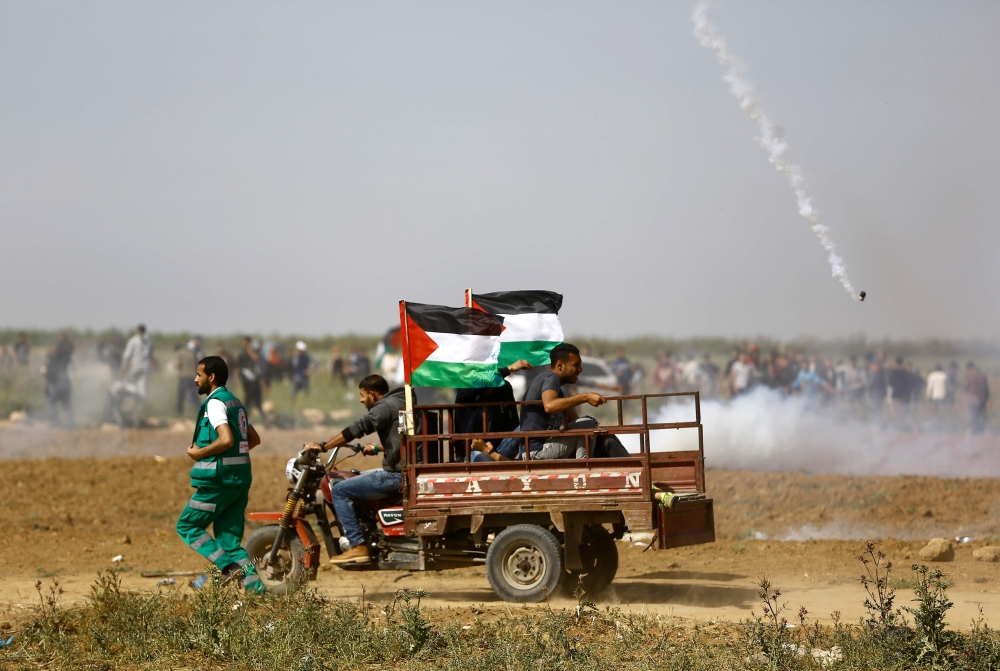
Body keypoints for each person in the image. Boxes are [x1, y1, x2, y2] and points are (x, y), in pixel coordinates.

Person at [175, 356, 264, 592]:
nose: (194, 379)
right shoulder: (235, 402)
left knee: (187, 526)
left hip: (219, 483)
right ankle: (257, 591)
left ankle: (227, 567)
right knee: (230, 543)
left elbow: (226, 439)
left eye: (198, 375)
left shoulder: (215, 404)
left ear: (211, 378)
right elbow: (253, 439)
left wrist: (200, 453)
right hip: (240, 480)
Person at [304, 374, 405, 565]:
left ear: (373, 395)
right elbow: (401, 441)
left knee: (341, 490)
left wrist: (324, 446)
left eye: (362, 395)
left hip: (396, 475)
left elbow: (358, 428)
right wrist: (376, 447)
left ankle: (358, 545)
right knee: (358, 476)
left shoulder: (385, 407)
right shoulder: (400, 402)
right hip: (403, 470)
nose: (360, 399)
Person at [516, 343, 607, 460]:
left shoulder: (558, 392)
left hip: (543, 448)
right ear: (560, 365)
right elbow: (549, 406)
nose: (580, 369)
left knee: (588, 425)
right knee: (589, 422)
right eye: (576, 365)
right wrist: (585, 397)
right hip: (536, 452)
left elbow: (576, 421)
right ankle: (583, 467)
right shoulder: (550, 377)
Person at [454, 360, 533, 461]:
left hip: (498, 449)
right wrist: (509, 369)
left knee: (527, 425)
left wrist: (492, 442)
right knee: (485, 460)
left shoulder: (504, 388)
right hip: (471, 453)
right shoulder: (466, 389)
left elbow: (511, 426)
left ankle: (525, 464)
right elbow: (482, 382)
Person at [45, 332, 74, 427]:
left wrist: (46, 384)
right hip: (67, 384)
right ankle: (71, 423)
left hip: (61, 384)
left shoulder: (55, 360)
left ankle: (57, 421)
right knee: (66, 405)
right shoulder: (64, 357)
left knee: (50, 401)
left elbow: (50, 374)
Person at [236, 337, 266, 421]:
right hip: (247, 383)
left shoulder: (254, 352)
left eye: (246, 342)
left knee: (258, 404)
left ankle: (264, 420)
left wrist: (249, 350)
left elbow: (256, 359)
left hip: (255, 383)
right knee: (247, 404)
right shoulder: (241, 355)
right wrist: (238, 379)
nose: (244, 344)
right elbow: (238, 367)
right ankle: (244, 422)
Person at [965, 362, 990, 435]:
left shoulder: (969, 376)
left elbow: (965, 387)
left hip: (973, 400)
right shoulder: (983, 376)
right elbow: (987, 389)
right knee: (982, 415)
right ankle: (983, 430)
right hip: (982, 399)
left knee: (973, 415)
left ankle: (974, 430)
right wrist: (988, 399)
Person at [174, 342, 199, 415]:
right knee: (194, 395)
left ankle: (179, 412)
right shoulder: (193, 354)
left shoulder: (180, 353)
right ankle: (200, 410)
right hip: (193, 377)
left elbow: (177, 364)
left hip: (184, 377)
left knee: (181, 395)